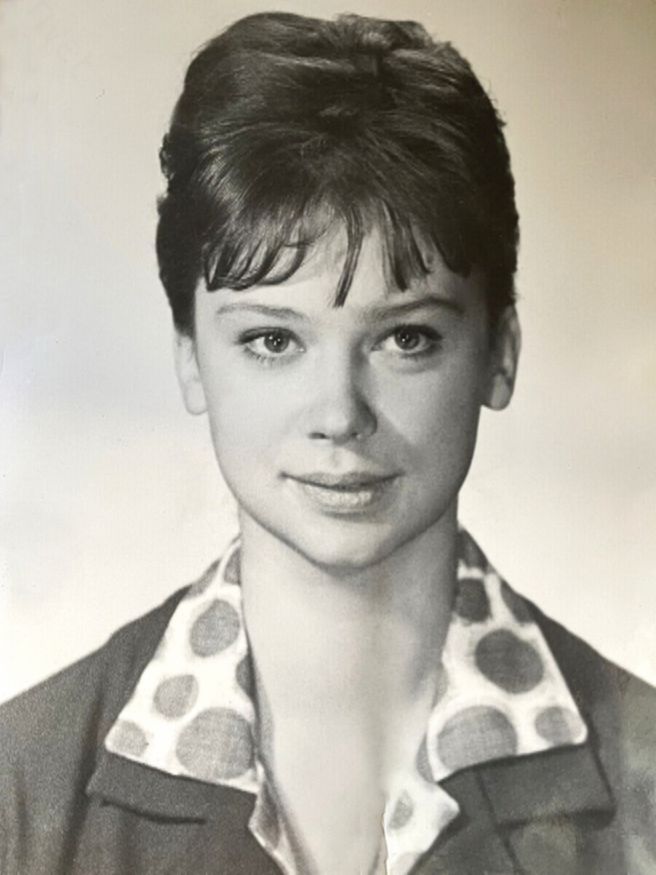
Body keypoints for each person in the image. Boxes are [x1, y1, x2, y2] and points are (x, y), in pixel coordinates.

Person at [1, 11, 654, 875]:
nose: (340, 414)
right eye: (273, 339)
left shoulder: (645, 779)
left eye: (407, 337)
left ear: (500, 352)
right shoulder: (22, 791)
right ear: (191, 358)